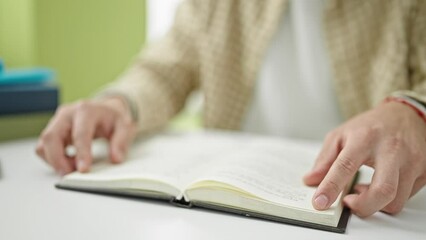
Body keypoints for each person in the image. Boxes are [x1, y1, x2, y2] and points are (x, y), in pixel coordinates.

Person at [36, 0, 426, 218]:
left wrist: (414, 109)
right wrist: (118, 103)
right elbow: (167, 67)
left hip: (372, 212)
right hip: (227, 211)